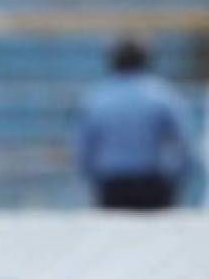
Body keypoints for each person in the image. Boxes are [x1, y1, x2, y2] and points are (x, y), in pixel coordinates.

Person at [75, 38, 195, 211]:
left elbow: (84, 150)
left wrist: (95, 182)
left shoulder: (96, 99)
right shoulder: (164, 96)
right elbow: (183, 144)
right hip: (154, 184)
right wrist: (176, 180)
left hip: (112, 186)